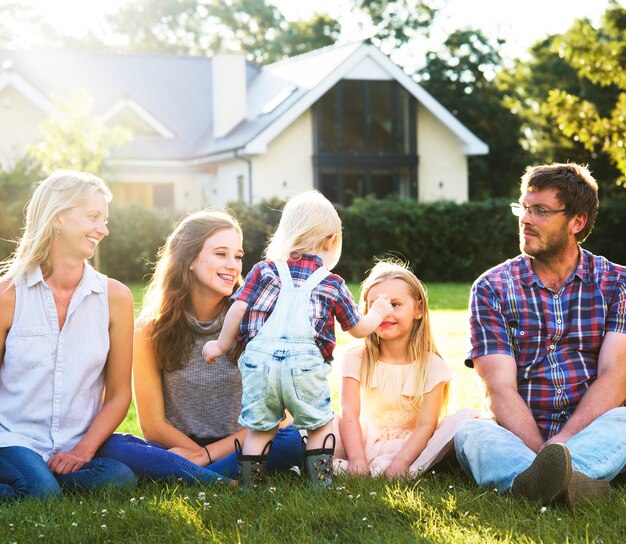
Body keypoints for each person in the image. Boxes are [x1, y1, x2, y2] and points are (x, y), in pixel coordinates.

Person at [454, 163, 626, 507]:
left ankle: (533, 482)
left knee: (624, 419)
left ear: (576, 222)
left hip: (592, 430)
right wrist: (541, 453)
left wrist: (562, 443)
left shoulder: (617, 283)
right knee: (470, 433)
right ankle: (574, 481)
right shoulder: (491, 288)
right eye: (524, 207)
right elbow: (498, 389)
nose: (526, 219)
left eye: (541, 211)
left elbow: (615, 376)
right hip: (518, 435)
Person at [202, 190, 394, 489]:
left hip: (259, 366)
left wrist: (220, 345)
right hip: (304, 367)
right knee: (319, 424)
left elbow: (238, 307)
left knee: (260, 429)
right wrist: (379, 312)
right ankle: (322, 485)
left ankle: (251, 487)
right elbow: (357, 328)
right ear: (331, 239)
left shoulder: (263, 270)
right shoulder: (332, 282)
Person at [98, 209, 304, 484]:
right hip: (179, 447)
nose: (234, 265)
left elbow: (277, 417)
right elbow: (153, 425)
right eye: (221, 254)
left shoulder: (257, 319)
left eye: (238, 256)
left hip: (246, 443)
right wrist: (195, 453)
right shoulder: (149, 330)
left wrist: (206, 456)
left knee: (292, 437)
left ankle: (188, 476)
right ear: (189, 259)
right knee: (113, 445)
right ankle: (216, 479)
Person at [0, 170, 136, 501]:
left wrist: (84, 450)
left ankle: (40, 481)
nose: (103, 230)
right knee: (41, 492)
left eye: (105, 219)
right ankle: (38, 482)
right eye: (93, 217)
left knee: (118, 478)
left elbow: (119, 394)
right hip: (13, 440)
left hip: (76, 444)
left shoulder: (115, 297)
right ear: (58, 217)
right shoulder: (8, 295)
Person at [334, 260, 479, 478]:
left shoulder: (433, 366)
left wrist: (401, 461)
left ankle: (397, 469)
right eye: (377, 306)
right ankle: (359, 467)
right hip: (362, 440)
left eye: (395, 304)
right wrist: (356, 459)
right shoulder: (356, 357)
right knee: (319, 426)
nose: (385, 313)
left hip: (409, 445)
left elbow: (425, 426)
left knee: (461, 421)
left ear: (418, 309)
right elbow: (349, 415)